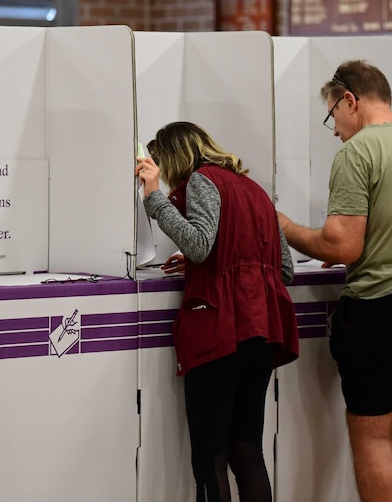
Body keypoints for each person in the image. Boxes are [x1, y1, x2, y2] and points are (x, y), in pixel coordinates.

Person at [278, 60, 392, 502]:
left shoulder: (357, 152)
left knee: (375, 437)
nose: (336, 128)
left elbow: (343, 247)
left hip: (385, 304)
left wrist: (284, 227)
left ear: (350, 100)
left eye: (332, 115)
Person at [135, 122, 299, 502]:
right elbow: (284, 269)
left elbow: (199, 244)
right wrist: (206, 262)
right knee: (247, 453)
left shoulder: (202, 181)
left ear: (175, 158)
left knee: (210, 458)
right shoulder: (255, 189)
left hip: (222, 331)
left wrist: (154, 198)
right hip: (263, 334)